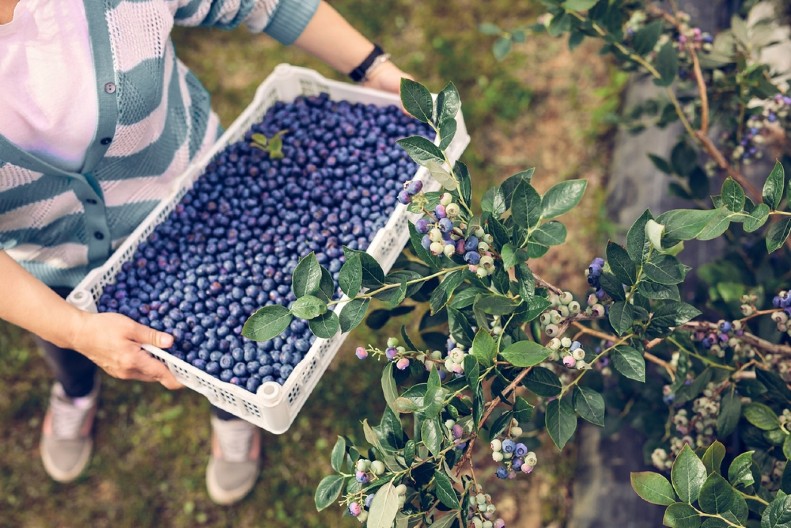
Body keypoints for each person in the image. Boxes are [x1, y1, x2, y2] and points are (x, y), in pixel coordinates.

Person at [0, 0, 408, 505]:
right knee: (63, 346)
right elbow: (64, 324)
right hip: (48, 269)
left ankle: (235, 412)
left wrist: (372, 68)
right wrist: (73, 329)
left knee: (233, 354)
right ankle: (75, 393)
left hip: (211, 212)